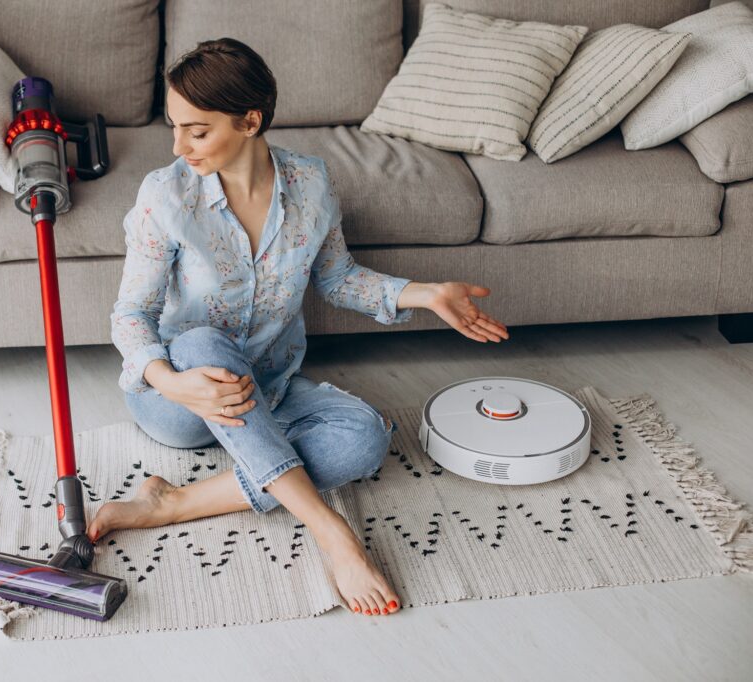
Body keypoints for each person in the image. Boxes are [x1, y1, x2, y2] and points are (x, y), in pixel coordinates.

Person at [89, 37, 509, 617]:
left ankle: (173, 503)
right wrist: (169, 381)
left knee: (366, 437)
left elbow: (338, 280)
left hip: (269, 387)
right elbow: (129, 316)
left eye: (197, 130)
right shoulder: (166, 195)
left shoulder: (311, 184)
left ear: (251, 121)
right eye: (175, 127)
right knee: (204, 341)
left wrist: (426, 293)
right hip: (182, 399)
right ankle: (331, 531)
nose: (179, 145)